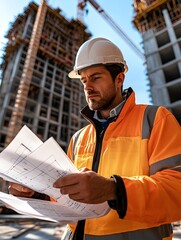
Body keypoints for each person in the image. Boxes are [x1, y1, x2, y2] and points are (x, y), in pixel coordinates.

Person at [9, 37, 181, 240]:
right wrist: (35, 193)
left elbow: (176, 191)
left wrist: (114, 190)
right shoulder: (79, 138)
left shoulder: (155, 119)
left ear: (119, 79)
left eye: (96, 78)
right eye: (84, 81)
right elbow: (66, 196)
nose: (87, 87)